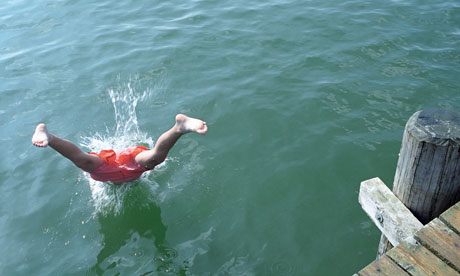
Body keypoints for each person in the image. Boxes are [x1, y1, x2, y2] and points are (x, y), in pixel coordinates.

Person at [32, 114, 208, 183]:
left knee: (156, 157)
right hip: (112, 169)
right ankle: (48, 136)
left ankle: (180, 127)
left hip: (119, 165)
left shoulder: (102, 177)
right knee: (82, 160)